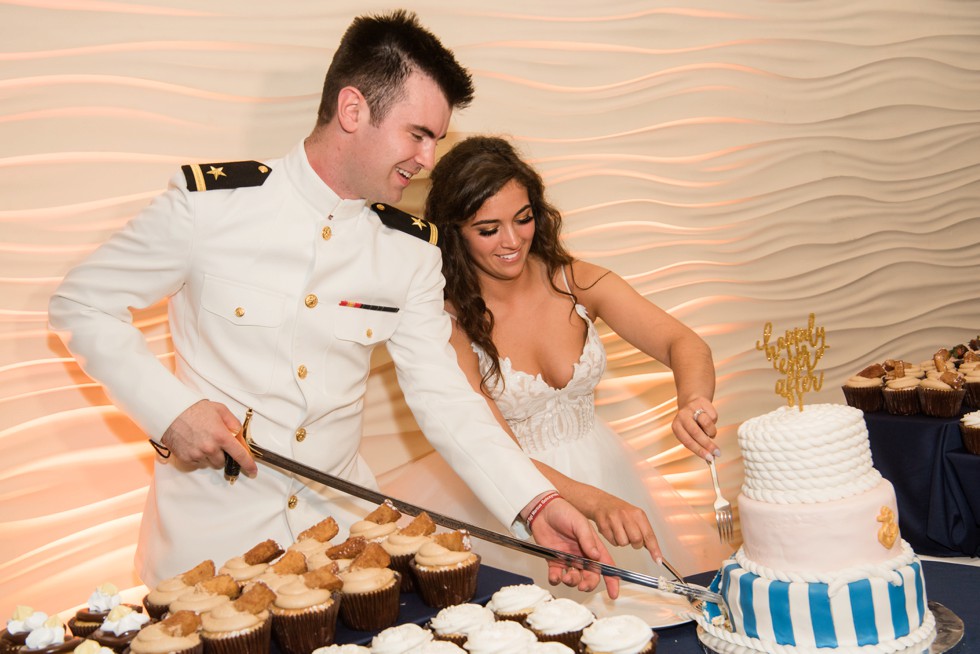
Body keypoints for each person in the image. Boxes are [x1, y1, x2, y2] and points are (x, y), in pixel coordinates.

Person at [48, 11, 618, 595]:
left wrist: (535, 504)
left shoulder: (410, 250)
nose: (427, 159)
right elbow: (82, 303)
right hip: (206, 553)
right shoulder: (210, 208)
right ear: (352, 110)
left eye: (436, 140)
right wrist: (170, 409)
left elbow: (447, 400)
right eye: (417, 134)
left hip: (341, 551)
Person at [381, 135, 729, 596]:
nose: (512, 241)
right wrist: (591, 501)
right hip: (510, 495)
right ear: (454, 232)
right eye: (488, 229)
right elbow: (494, 448)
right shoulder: (446, 323)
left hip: (605, 466)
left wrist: (694, 401)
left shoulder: (574, 280)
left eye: (523, 219)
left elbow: (683, 342)